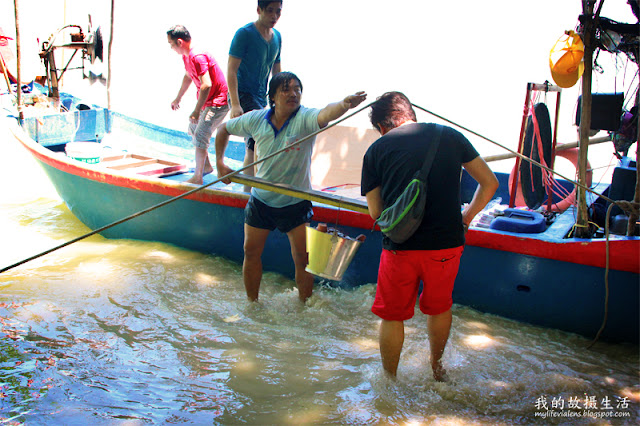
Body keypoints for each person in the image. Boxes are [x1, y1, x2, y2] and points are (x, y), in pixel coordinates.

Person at [361, 91, 498, 381]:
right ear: (410, 114)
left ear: (382, 127)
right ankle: (437, 370)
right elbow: (489, 183)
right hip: (446, 245)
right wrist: (466, 218)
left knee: (393, 315)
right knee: (439, 308)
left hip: (400, 247)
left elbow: (376, 212)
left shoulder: (376, 150)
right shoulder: (449, 136)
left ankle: (389, 380)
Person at [216, 71, 366, 303]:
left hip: (295, 203)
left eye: (297, 89)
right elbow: (223, 129)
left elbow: (326, 112)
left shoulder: (305, 119)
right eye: (286, 89)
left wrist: (345, 105)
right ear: (273, 97)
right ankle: (252, 304)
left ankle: (304, 307)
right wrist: (220, 164)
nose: (293, 94)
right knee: (250, 252)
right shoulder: (256, 119)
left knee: (302, 261)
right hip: (261, 201)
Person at [228, 0, 283, 192]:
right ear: (259, 10)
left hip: (262, 97)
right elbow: (231, 70)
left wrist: (280, 100)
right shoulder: (244, 34)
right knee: (254, 141)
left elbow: (277, 72)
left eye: (278, 12)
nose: (274, 16)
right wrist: (235, 103)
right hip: (242, 94)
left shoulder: (277, 37)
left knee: (263, 141)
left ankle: (255, 188)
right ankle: (247, 193)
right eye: (270, 11)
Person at [167, 25, 230, 185]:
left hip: (218, 102)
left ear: (179, 42)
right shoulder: (186, 57)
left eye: (171, 44)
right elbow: (188, 76)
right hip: (207, 101)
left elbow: (206, 84)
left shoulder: (197, 56)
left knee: (201, 135)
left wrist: (196, 110)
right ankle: (206, 166)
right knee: (194, 129)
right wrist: (178, 98)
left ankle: (198, 177)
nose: (171, 48)